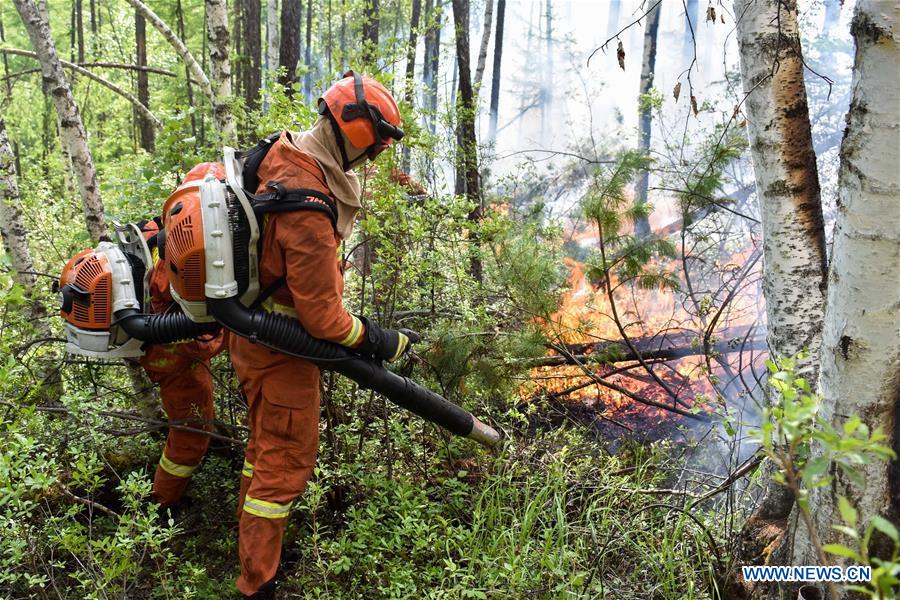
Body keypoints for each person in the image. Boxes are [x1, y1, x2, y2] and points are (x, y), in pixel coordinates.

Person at [230, 72, 413, 598]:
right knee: (284, 460)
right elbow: (324, 322)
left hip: (256, 332)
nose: (374, 159)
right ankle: (257, 582)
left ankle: (254, 552)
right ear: (354, 133)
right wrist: (378, 340)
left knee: (265, 448)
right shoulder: (307, 205)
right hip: (280, 346)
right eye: (374, 146)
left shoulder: (285, 155)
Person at [138, 163, 228, 509]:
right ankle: (159, 506)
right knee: (191, 434)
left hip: (172, 347)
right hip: (173, 354)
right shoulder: (183, 248)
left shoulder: (169, 231)